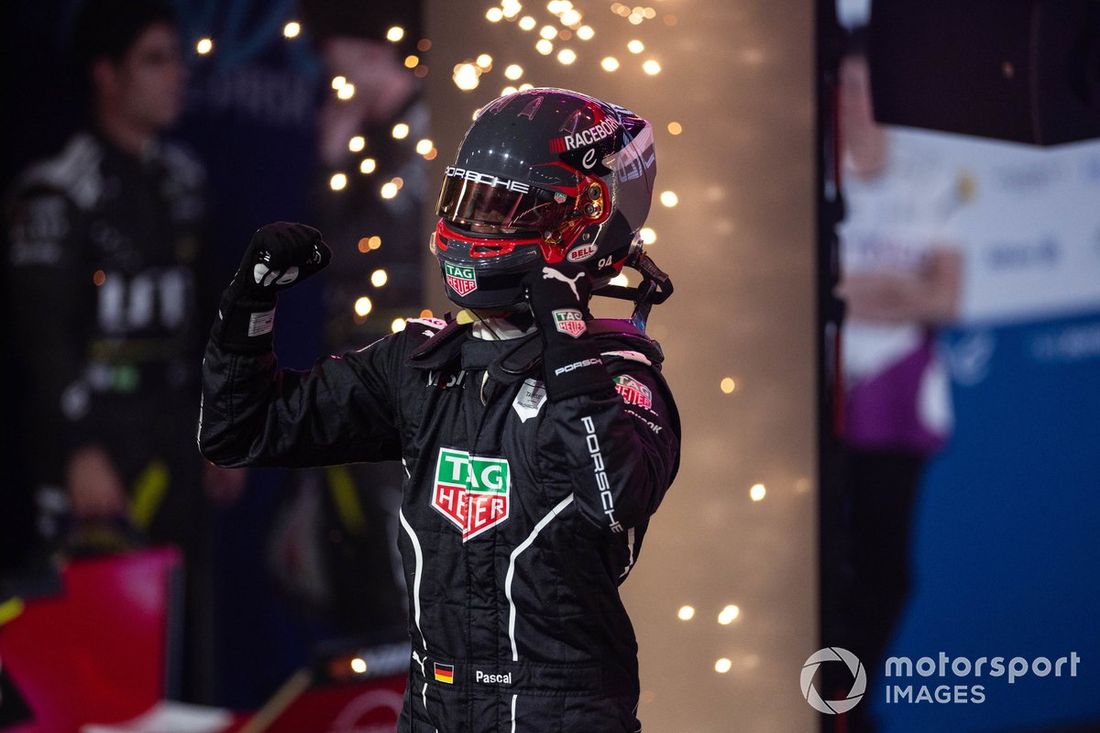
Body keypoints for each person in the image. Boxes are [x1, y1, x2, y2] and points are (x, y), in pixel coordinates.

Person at [199, 88, 680, 731]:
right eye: (469, 202)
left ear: (585, 222)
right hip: (433, 707)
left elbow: (614, 496)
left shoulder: (620, 375)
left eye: (505, 211)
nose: (476, 228)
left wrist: (564, 328)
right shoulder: (423, 364)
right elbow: (241, 432)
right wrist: (249, 308)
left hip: (562, 711)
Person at [4, 0, 241, 700]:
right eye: (155, 60)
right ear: (107, 75)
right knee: (100, 661)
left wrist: (221, 429)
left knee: (190, 651)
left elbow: (212, 322)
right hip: (95, 450)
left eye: (179, 59)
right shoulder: (54, 189)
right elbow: (41, 341)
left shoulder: (186, 180)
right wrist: (78, 448)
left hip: (175, 438)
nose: (178, 77)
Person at [829, 28, 966, 731]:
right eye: (847, 86)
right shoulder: (817, 178)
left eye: (870, 88)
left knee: (887, 568)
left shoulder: (928, 179)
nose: (859, 102)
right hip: (826, 394)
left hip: (898, 393)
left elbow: (946, 300)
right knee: (826, 558)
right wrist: (887, 286)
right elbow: (822, 294)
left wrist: (861, 288)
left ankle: (847, 704)